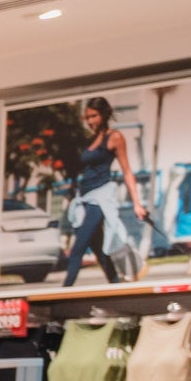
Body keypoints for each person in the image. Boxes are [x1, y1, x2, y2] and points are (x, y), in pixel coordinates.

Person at [54, 96, 151, 288]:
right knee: (98, 249)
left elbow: (127, 171)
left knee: (77, 250)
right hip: (85, 198)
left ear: (104, 114)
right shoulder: (90, 140)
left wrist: (137, 204)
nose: (90, 121)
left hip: (100, 198)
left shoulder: (114, 137)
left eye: (94, 116)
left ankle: (61, 296)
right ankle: (116, 287)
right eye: (87, 117)